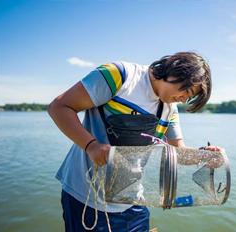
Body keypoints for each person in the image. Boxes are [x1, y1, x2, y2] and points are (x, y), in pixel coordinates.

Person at [48, 51, 222, 232]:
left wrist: (205, 155)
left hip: (133, 200)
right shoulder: (119, 75)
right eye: (186, 91)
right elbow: (59, 107)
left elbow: (177, 153)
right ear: (175, 71)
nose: (184, 99)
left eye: (189, 97)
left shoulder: (170, 108)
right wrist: (91, 145)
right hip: (87, 198)